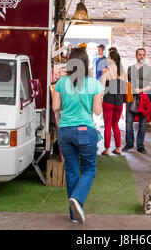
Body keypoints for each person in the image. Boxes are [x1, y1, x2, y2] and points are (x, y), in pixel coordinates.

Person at [52, 48, 104, 224]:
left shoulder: (60, 83)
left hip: (65, 131)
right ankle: (78, 198)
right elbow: (97, 112)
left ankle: (74, 215)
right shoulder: (94, 84)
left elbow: (55, 108)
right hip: (84, 131)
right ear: (86, 63)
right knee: (89, 169)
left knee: (71, 170)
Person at [124, 48, 151, 154]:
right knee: (128, 123)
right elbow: (128, 82)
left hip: (144, 98)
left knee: (142, 124)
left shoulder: (149, 69)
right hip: (131, 98)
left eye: (143, 55)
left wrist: (141, 90)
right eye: (139, 55)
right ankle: (129, 143)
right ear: (135, 56)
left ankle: (140, 145)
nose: (141, 56)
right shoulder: (130, 68)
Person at [101, 47, 127, 156]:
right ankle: (118, 148)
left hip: (108, 101)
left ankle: (106, 150)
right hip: (119, 102)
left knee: (107, 125)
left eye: (108, 56)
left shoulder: (106, 70)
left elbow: (101, 87)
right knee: (115, 125)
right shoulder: (122, 72)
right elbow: (125, 88)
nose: (106, 58)